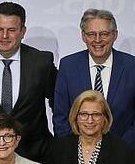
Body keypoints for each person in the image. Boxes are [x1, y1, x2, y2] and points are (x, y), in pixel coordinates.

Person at [0, 2, 57, 162]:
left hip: (34, 154)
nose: (4, 36)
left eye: (11, 30)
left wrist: (61, 140)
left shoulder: (41, 62)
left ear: (23, 31)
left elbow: (59, 104)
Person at [53, 9, 135, 146]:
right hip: (77, 152)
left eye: (104, 34)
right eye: (91, 34)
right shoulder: (68, 66)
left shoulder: (131, 66)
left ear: (114, 35)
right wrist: (74, 149)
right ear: (83, 36)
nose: (97, 40)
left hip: (125, 151)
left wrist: (121, 150)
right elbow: (60, 115)